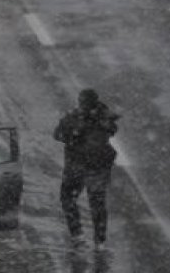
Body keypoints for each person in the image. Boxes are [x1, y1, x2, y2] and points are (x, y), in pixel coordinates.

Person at [54, 89, 120, 247]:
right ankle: (98, 240)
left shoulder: (76, 116)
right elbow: (112, 129)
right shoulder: (103, 117)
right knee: (96, 204)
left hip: (78, 166)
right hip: (96, 167)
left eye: (82, 101)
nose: (81, 104)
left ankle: (78, 235)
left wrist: (75, 134)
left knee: (69, 199)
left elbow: (58, 134)